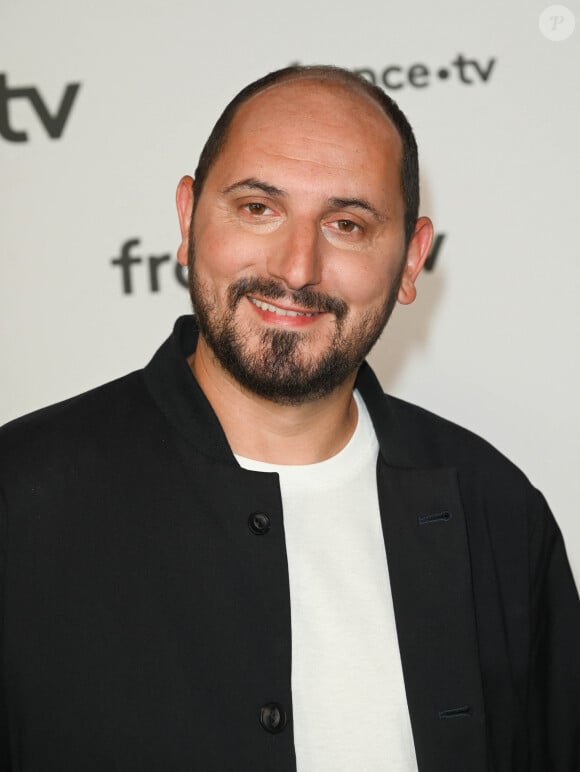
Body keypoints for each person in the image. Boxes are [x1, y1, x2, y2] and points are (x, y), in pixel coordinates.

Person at [0, 65, 578, 772]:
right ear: (187, 219)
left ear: (410, 258)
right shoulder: (18, 503)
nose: (298, 269)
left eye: (347, 224)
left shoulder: (497, 513)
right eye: (257, 209)